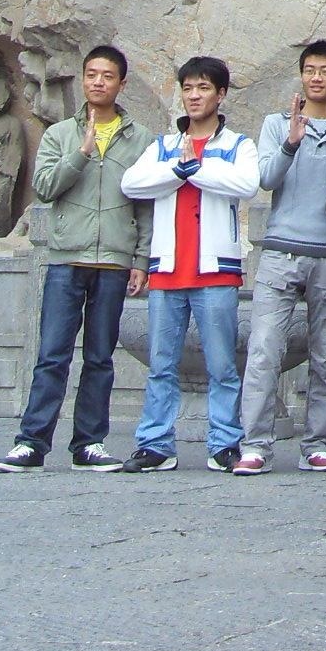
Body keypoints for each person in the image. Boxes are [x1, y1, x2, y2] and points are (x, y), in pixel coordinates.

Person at [0, 46, 150, 472]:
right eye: (92, 74)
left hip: (115, 261)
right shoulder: (60, 133)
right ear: (83, 79)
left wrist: (141, 259)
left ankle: (89, 443)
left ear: (121, 83)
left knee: (100, 357)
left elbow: (146, 207)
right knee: (53, 354)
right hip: (67, 258)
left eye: (108, 76)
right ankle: (31, 441)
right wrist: (79, 154)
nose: (98, 82)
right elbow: (43, 187)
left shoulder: (141, 139)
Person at [118, 56, 259, 472]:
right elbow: (132, 183)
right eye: (188, 88)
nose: (194, 96)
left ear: (221, 94)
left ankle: (224, 443)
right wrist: (177, 170)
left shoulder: (237, 144)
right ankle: (155, 444)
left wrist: (194, 169)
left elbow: (247, 183)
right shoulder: (162, 145)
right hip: (167, 268)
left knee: (221, 364)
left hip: (215, 269)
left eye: (203, 88)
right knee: (161, 364)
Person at [234, 40, 326, 475]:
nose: (317, 77)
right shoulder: (275, 124)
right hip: (280, 250)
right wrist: (290, 143)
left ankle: (317, 443)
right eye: (309, 69)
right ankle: (255, 445)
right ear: (301, 75)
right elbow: (265, 179)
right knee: (264, 350)